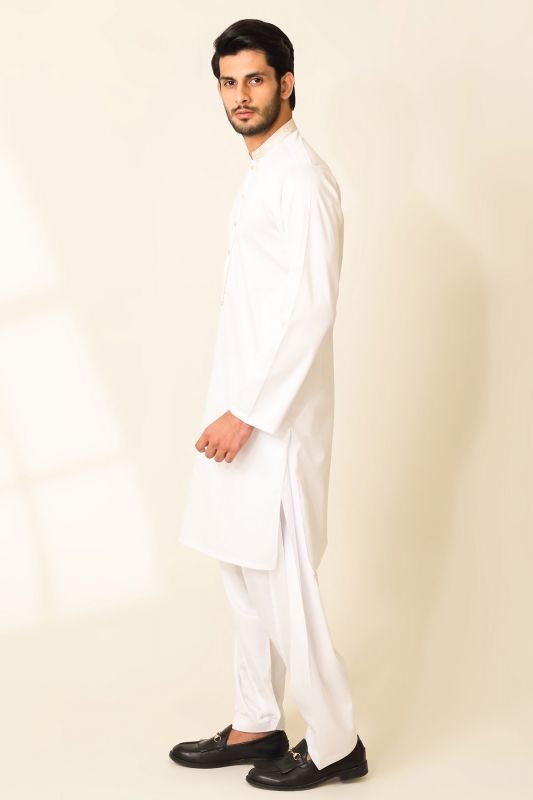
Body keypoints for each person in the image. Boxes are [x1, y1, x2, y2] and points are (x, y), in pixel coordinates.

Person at [170, 19, 369, 790]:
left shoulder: (302, 178)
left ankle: (335, 741)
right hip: (241, 409)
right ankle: (256, 720)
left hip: (274, 424)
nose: (240, 96)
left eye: (254, 79)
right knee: (241, 567)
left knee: (283, 582)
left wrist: (248, 413)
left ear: (285, 82)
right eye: (228, 82)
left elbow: (312, 308)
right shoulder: (263, 172)